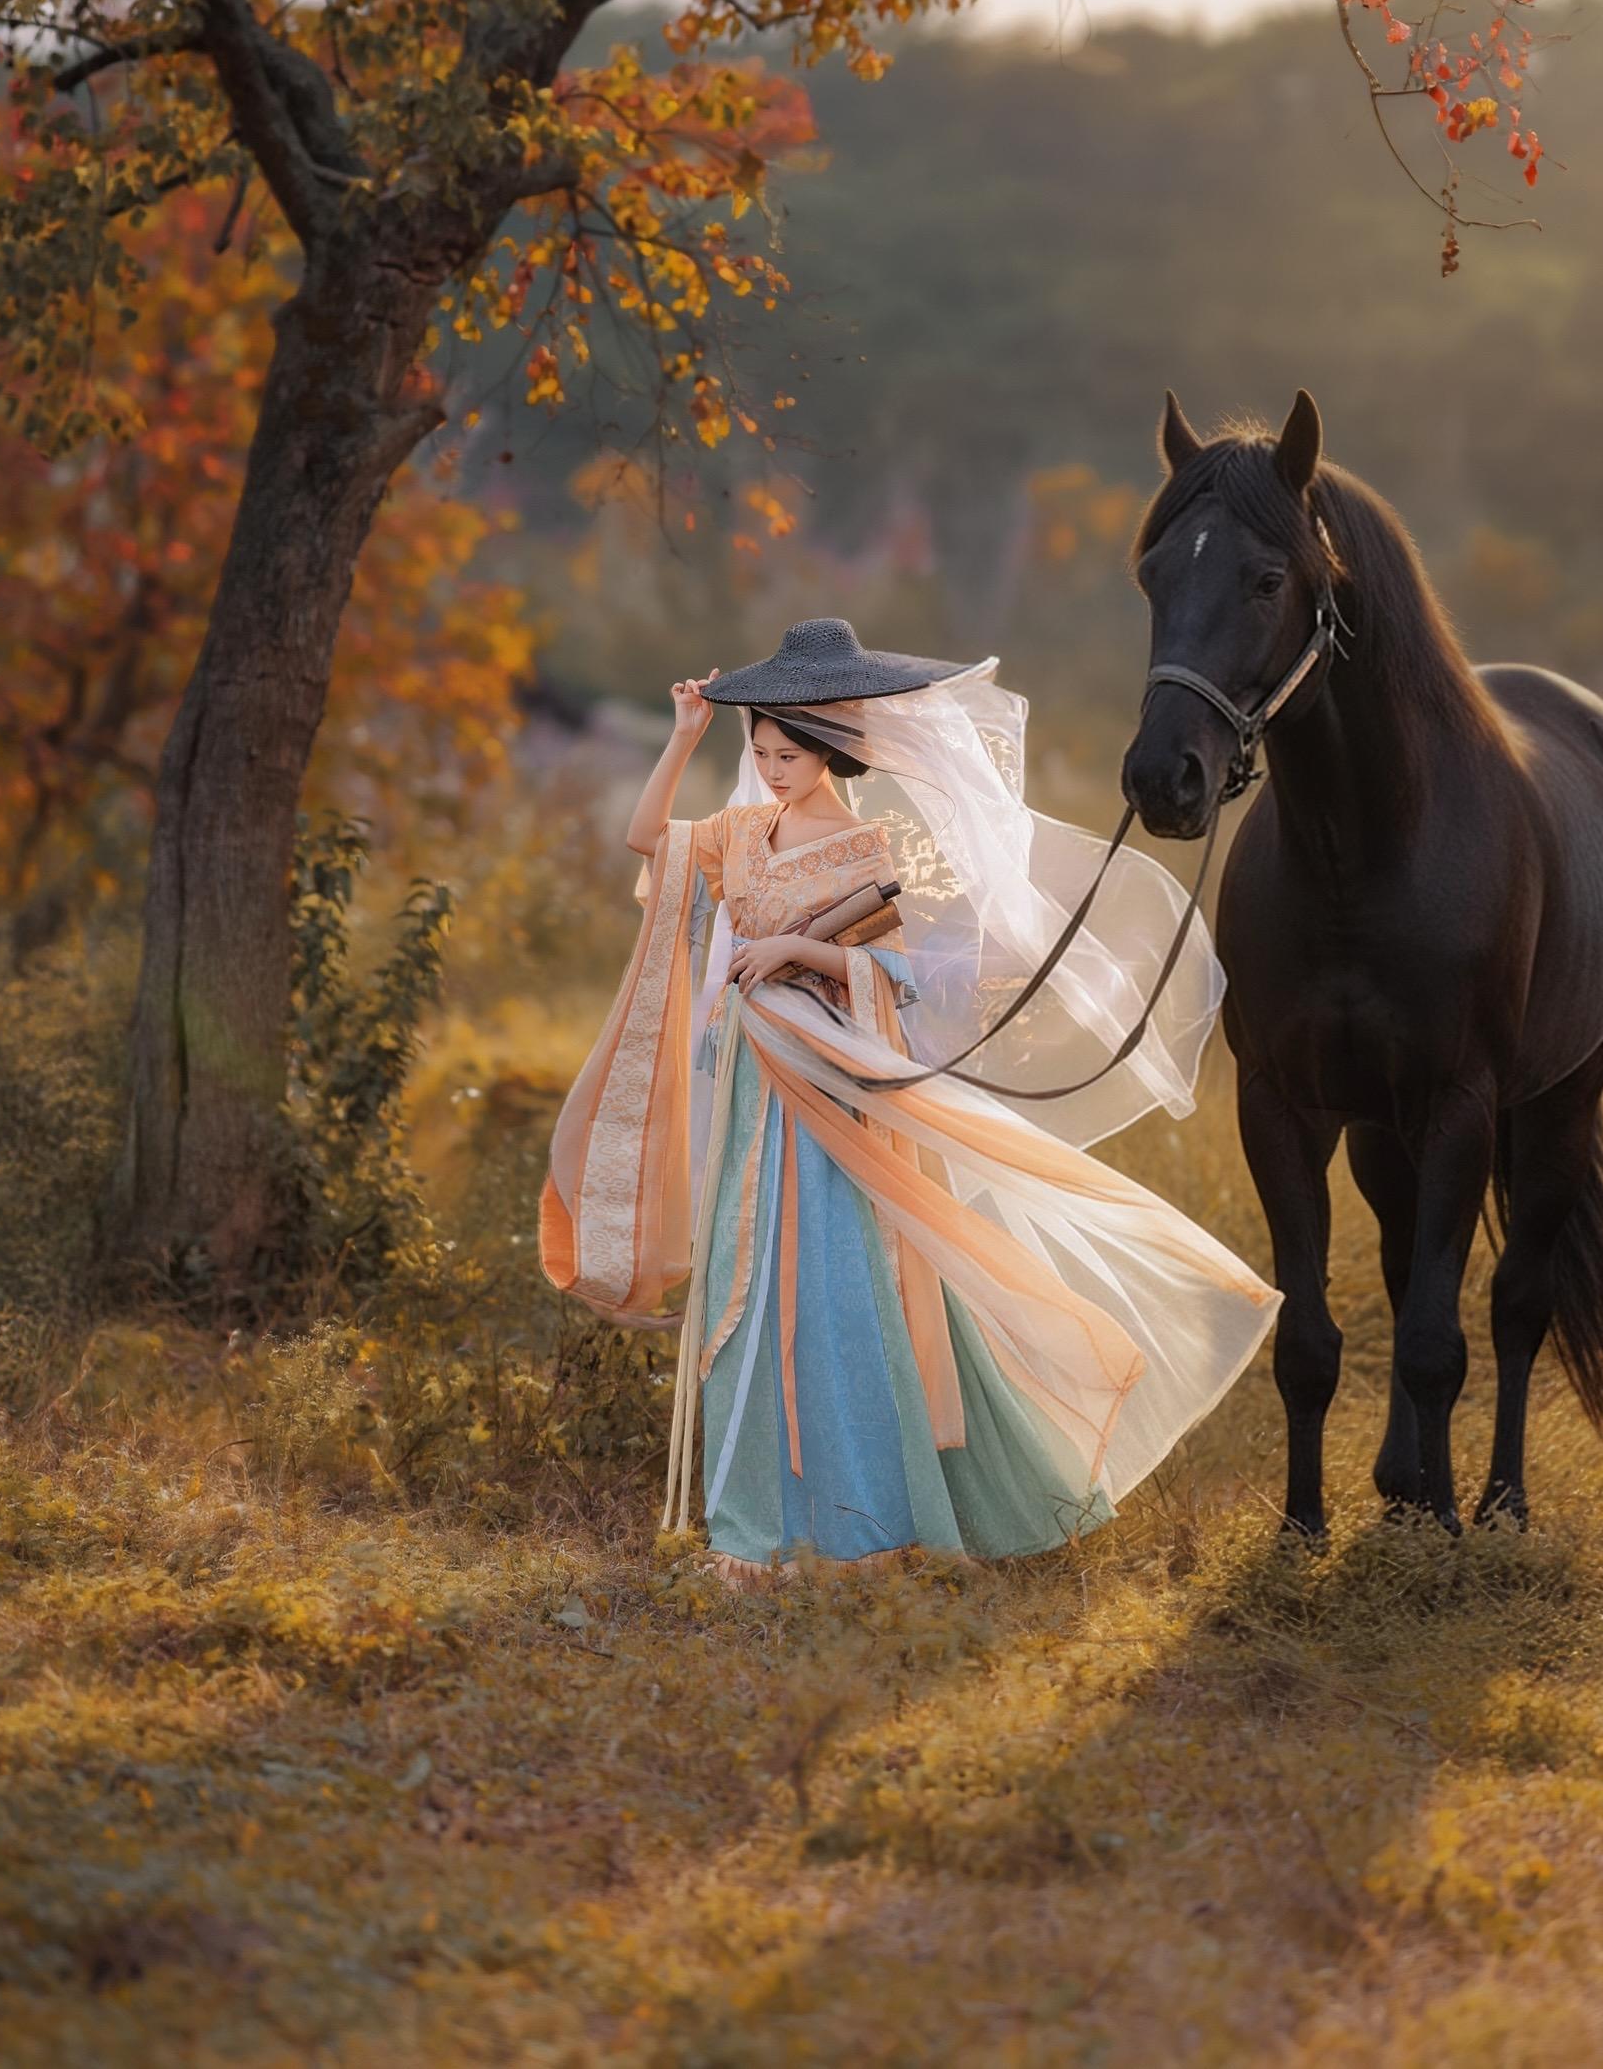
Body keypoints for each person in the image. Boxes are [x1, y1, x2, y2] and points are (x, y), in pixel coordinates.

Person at [542, 618, 1277, 1584]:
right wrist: (684, 735)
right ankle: (752, 1529)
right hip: (757, 1088)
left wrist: (799, 950)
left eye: (788, 755)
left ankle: (859, 1525)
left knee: (836, 1288)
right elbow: (646, 838)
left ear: (829, 750)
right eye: (760, 753)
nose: (771, 771)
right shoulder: (740, 833)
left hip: (829, 1093)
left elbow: (897, 976)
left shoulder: (862, 849)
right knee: (743, 1284)